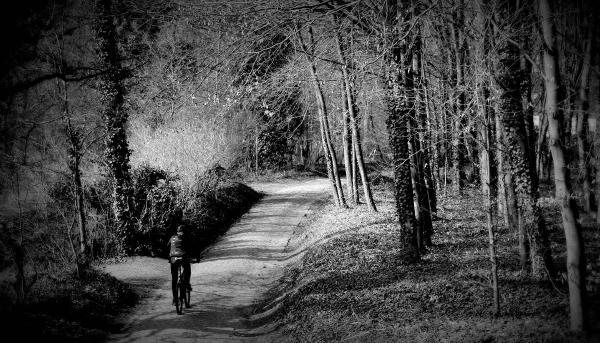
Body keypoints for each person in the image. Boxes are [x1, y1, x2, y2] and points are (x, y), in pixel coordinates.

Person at [167, 224, 192, 306]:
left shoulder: (173, 237)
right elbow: (192, 248)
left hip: (173, 259)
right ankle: (186, 286)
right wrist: (195, 258)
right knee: (187, 270)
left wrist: (169, 257)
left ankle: (175, 299)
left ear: (177, 232)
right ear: (185, 232)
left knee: (174, 279)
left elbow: (167, 246)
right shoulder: (187, 237)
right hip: (183, 258)